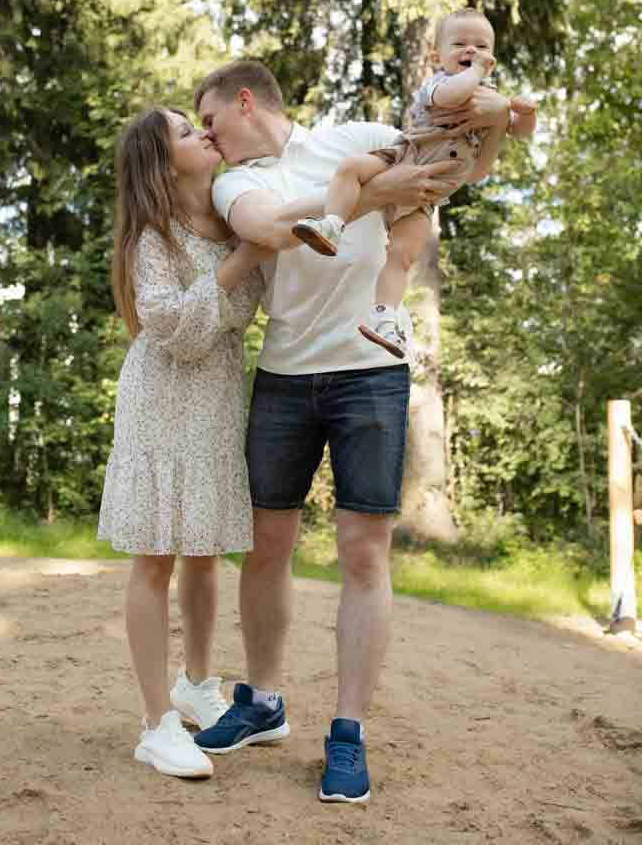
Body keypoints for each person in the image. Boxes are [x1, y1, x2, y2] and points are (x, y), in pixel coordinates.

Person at [189, 57, 514, 803]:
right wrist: (377, 193)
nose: (207, 137)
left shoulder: (357, 136)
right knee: (264, 548)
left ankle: (347, 732)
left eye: (211, 120)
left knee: (364, 552)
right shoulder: (235, 181)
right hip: (283, 376)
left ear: (246, 102)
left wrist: (472, 125)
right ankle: (262, 702)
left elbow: (439, 178)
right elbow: (268, 228)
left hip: (371, 370)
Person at [98, 106, 266, 780]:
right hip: (160, 403)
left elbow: (241, 313)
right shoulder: (153, 237)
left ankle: (196, 684)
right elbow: (173, 329)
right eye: (186, 131)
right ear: (165, 164)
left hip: (216, 402)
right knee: (156, 560)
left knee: (204, 553)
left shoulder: (236, 222)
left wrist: (237, 264)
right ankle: (155, 723)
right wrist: (237, 267)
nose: (205, 133)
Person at [291, 9, 537, 358]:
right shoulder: (437, 84)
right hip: (404, 157)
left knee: (402, 257)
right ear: (437, 58)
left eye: (481, 46)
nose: (471, 50)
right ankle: (332, 224)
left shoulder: (491, 96)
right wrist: (479, 75)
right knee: (350, 168)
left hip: (427, 194)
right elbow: (453, 96)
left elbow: (519, 132)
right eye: (460, 44)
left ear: (493, 60)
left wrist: (526, 114)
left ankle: (384, 317)